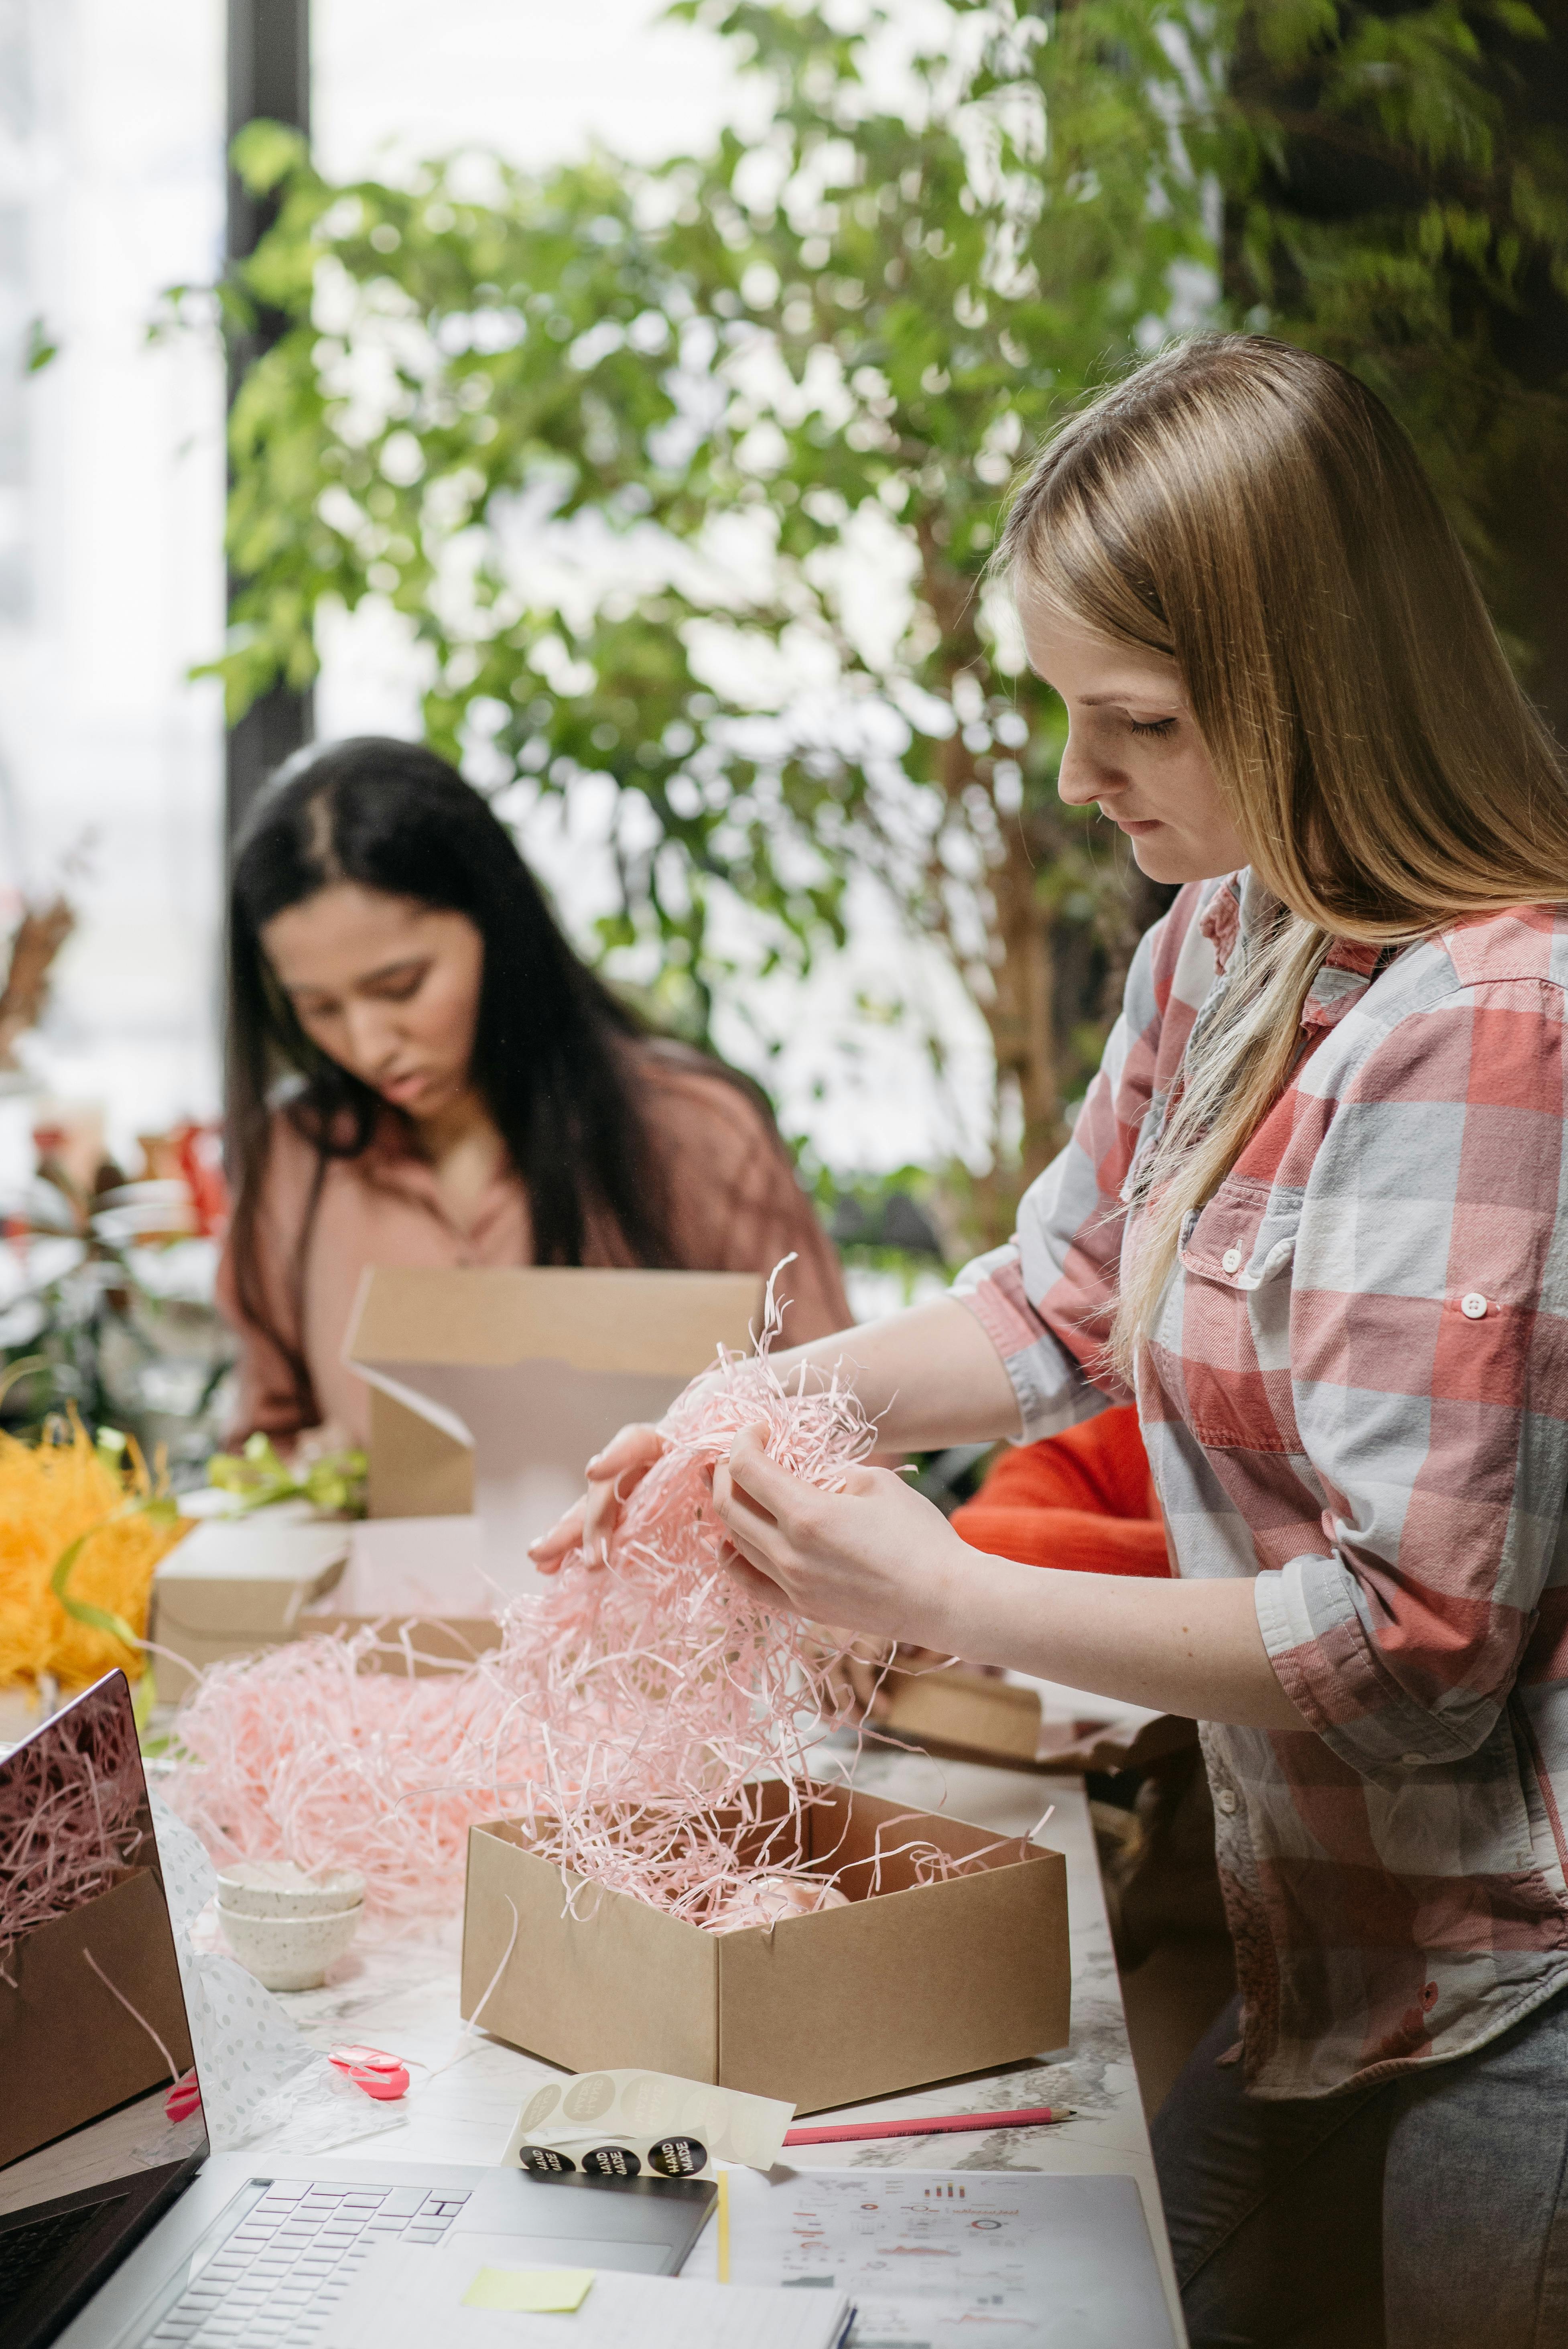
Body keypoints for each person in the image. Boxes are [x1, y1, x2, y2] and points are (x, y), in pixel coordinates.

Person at [535, 337, 1568, 2348]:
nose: (1081, 779)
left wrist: (950, 1582)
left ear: (1315, 693)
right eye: (1064, 711)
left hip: (1513, 1979)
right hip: (1327, 1960)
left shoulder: (1488, 1022)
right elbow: (1058, 1299)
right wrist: (753, 1400)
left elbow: (1411, 1645)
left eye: (1136, 722)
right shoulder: (1228, 935)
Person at [217, 737, 849, 1448]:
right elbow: (264, 1438)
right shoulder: (298, 1157)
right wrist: (310, 1471)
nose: (368, 1046)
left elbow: (844, 1427)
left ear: (497, 922)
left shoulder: (690, 1129)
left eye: (401, 987)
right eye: (319, 1009)